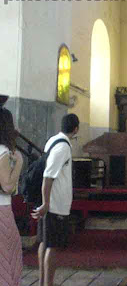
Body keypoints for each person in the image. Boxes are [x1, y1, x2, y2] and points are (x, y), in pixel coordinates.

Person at [31, 113, 79, 286]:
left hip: (51, 203)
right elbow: (48, 176)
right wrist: (46, 203)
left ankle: (43, 282)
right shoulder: (63, 147)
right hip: (55, 205)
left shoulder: (53, 140)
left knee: (45, 242)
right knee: (53, 245)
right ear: (76, 129)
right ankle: (47, 283)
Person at [0, 107, 24, 286]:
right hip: (2, 211)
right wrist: (19, 163)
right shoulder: (2, 151)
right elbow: (7, 186)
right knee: (8, 260)